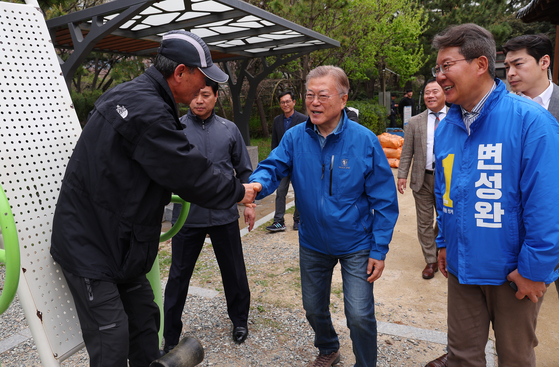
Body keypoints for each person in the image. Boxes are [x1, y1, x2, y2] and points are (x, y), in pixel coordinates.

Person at [50, 30, 257, 367]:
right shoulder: (147, 110)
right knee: (112, 339)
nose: (200, 92)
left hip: (121, 243)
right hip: (91, 245)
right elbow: (188, 173)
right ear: (180, 73)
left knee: (146, 323)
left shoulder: (137, 96)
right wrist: (238, 191)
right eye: (201, 81)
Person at [426, 23, 559, 367]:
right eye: (437, 68)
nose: (440, 76)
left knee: (514, 358)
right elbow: (446, 193)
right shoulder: (448, 127)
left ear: (481, 65)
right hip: (461, 267)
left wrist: (534, 269)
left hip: (512, 275)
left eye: (447, 65)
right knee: (462, 357)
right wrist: (443, 242)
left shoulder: (530, 121)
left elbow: (547, 204)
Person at [250, 65, 399, 367]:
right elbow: (272, 166)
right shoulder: (294, 138)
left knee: (358, 314)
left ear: (343, 100)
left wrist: (379, 248)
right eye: (309, 95)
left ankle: (366, 363)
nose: (314, 102)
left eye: (322, 95)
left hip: (356, 242)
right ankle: (329, 347)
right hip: (313, 242)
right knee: (313, 308)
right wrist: (255, 185)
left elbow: (384, 199)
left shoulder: (364, 140)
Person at [162, 78, 255, 354]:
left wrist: (249, 204)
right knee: (178, 277)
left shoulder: (230, 129)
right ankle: (169, 335)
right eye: (195, 95)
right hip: (186, 217)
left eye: (205, 95)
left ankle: (239, 321)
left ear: (216, 96)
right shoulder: (176, 128)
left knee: (234, 272)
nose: (198, 100)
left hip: (223, 214)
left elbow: (245, 171)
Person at [503, 33, 559, 300]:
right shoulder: (503, 113)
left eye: (518, 64)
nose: (511, 73)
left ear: (544, 61)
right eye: (507, 67)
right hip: (520, 237)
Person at [398, 78, 447, 280]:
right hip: (422, 179)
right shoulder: (415, 122)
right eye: (427, 92)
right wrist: (402, 174)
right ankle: (431, 260)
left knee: (444, 219)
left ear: (444, 93)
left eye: (435, 92)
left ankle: (439, 248)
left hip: (447, 181)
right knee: (424, 222)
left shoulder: (456, 117)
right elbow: (407, 151)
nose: (431, 96)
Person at [266, 91, 306, 232]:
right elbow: (275, 143)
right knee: (280, 191)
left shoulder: (303, 119)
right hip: (283, 163)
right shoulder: (277, 120)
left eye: (288, 101)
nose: (285, 104)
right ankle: (279, 221)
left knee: (299, 192)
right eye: (282, 102)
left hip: (299, 163)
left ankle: (298, 219)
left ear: (294, 102)